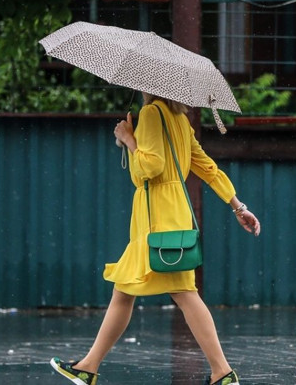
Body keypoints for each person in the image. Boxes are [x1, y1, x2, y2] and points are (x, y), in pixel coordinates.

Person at [50, 93, 261, 385]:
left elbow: (150, 168)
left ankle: (222, 373)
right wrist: (238, 206)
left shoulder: (151, 113)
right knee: (132, 290)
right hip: (172, 213)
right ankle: (88, 366)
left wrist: (129, 140)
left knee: (177, 292)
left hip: (155, 217)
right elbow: (206, 167)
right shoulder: (180, 119)